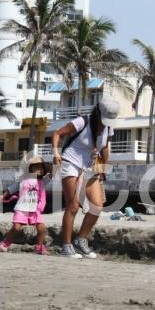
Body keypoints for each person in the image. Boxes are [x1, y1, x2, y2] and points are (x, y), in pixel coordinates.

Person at [52, 95, 120, 259]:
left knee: (97, 206)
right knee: (73, 206)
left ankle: (80, 241)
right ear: (98, 112)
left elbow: (104, 148)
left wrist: (103, 167)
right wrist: (55, 152)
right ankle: (66, 246)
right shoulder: (83, 121)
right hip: (70, 161)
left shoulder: (109, 127)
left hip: (89, 165)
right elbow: (57, 133)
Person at [0, 157, 50, 254]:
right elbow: (11, 188)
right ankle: (6, 242)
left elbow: (43, 195)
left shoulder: (42, 182)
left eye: (41, 168)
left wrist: (41, 207)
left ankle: (39, 246)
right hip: (22, 208)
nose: (39, 170)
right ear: (30, 169)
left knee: (41, 228)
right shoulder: (23, 180)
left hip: (35, 210)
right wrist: (3, 196)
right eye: (36, 167)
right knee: (16, 227)